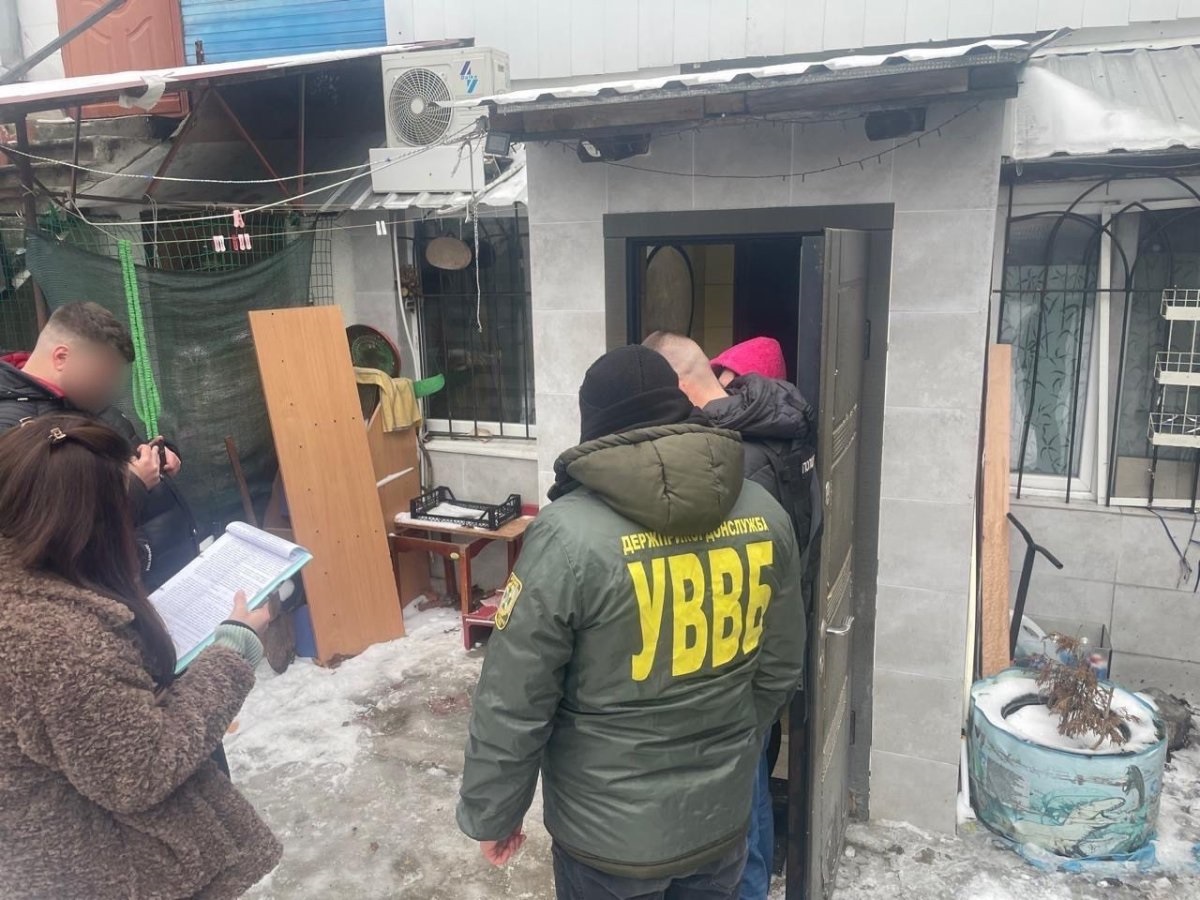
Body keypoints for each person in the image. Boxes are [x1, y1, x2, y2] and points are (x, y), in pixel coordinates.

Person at [457, 345, 806, 900]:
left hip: (606, 842)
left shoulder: (565, 537)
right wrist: (728, 739)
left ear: (595, 427)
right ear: (678, 406)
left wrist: (493, 812)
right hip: (717, 825)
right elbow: (781, 664)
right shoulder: (764, 514)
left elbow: (515, 697)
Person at [0, 414, 280, 899]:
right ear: (86, 523)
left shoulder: (27, 589)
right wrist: (233, 649)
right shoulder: (57, 643)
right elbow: (142, 769)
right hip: (115, 873)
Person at [644, 332, 818, 900]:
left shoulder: (732, 455)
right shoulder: (777, 426)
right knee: (753, 774)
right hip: (769, 630)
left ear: (676, 384)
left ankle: (749, 887)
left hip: (738, 641)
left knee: (740, 796)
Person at [0, 302, 199, 592]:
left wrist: (158, 453)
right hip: (119, 590)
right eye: (105, 376)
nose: (110, 389)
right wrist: (134, 484)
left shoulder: (86, 399)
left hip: (160, 574)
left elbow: (122, 452)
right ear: (61, 357)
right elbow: (54, 531)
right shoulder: (12, 427)